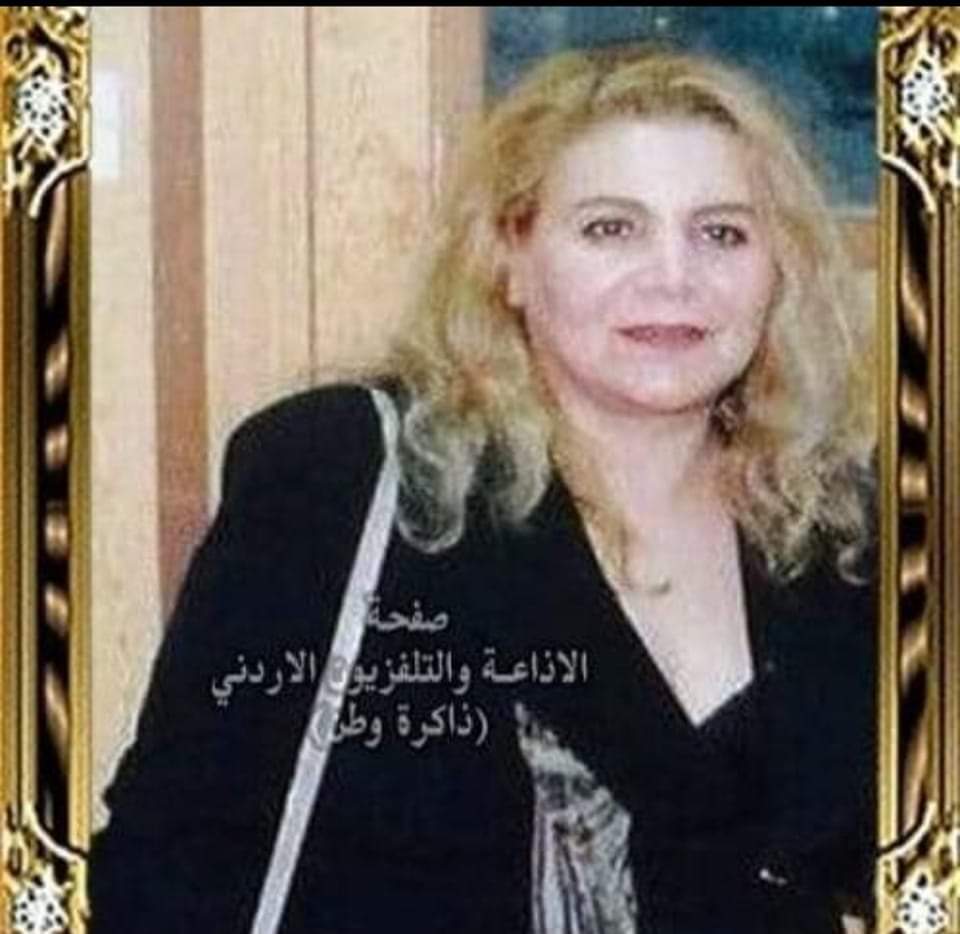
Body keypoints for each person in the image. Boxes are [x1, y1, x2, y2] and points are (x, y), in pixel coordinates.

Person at [90, 44, 877, 933]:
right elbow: (163, 866)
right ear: (508, 257)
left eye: (722, 232)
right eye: (611, 228)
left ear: (781, 269)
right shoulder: (346, 477)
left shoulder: (840, 529)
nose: (673, 275)